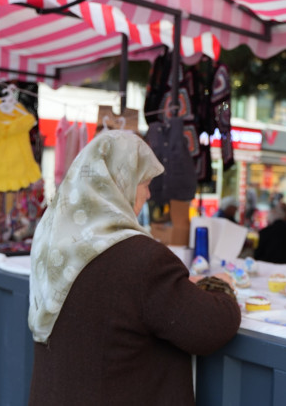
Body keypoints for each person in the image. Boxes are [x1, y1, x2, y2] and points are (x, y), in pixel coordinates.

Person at [28, 130, 241, 405]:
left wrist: (178, 289)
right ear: (119, 184)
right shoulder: (142, 258)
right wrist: (220, 285)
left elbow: (113, 299)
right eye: (145, 183)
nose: (149, 194)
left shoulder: (51, 241)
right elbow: (210, 326)